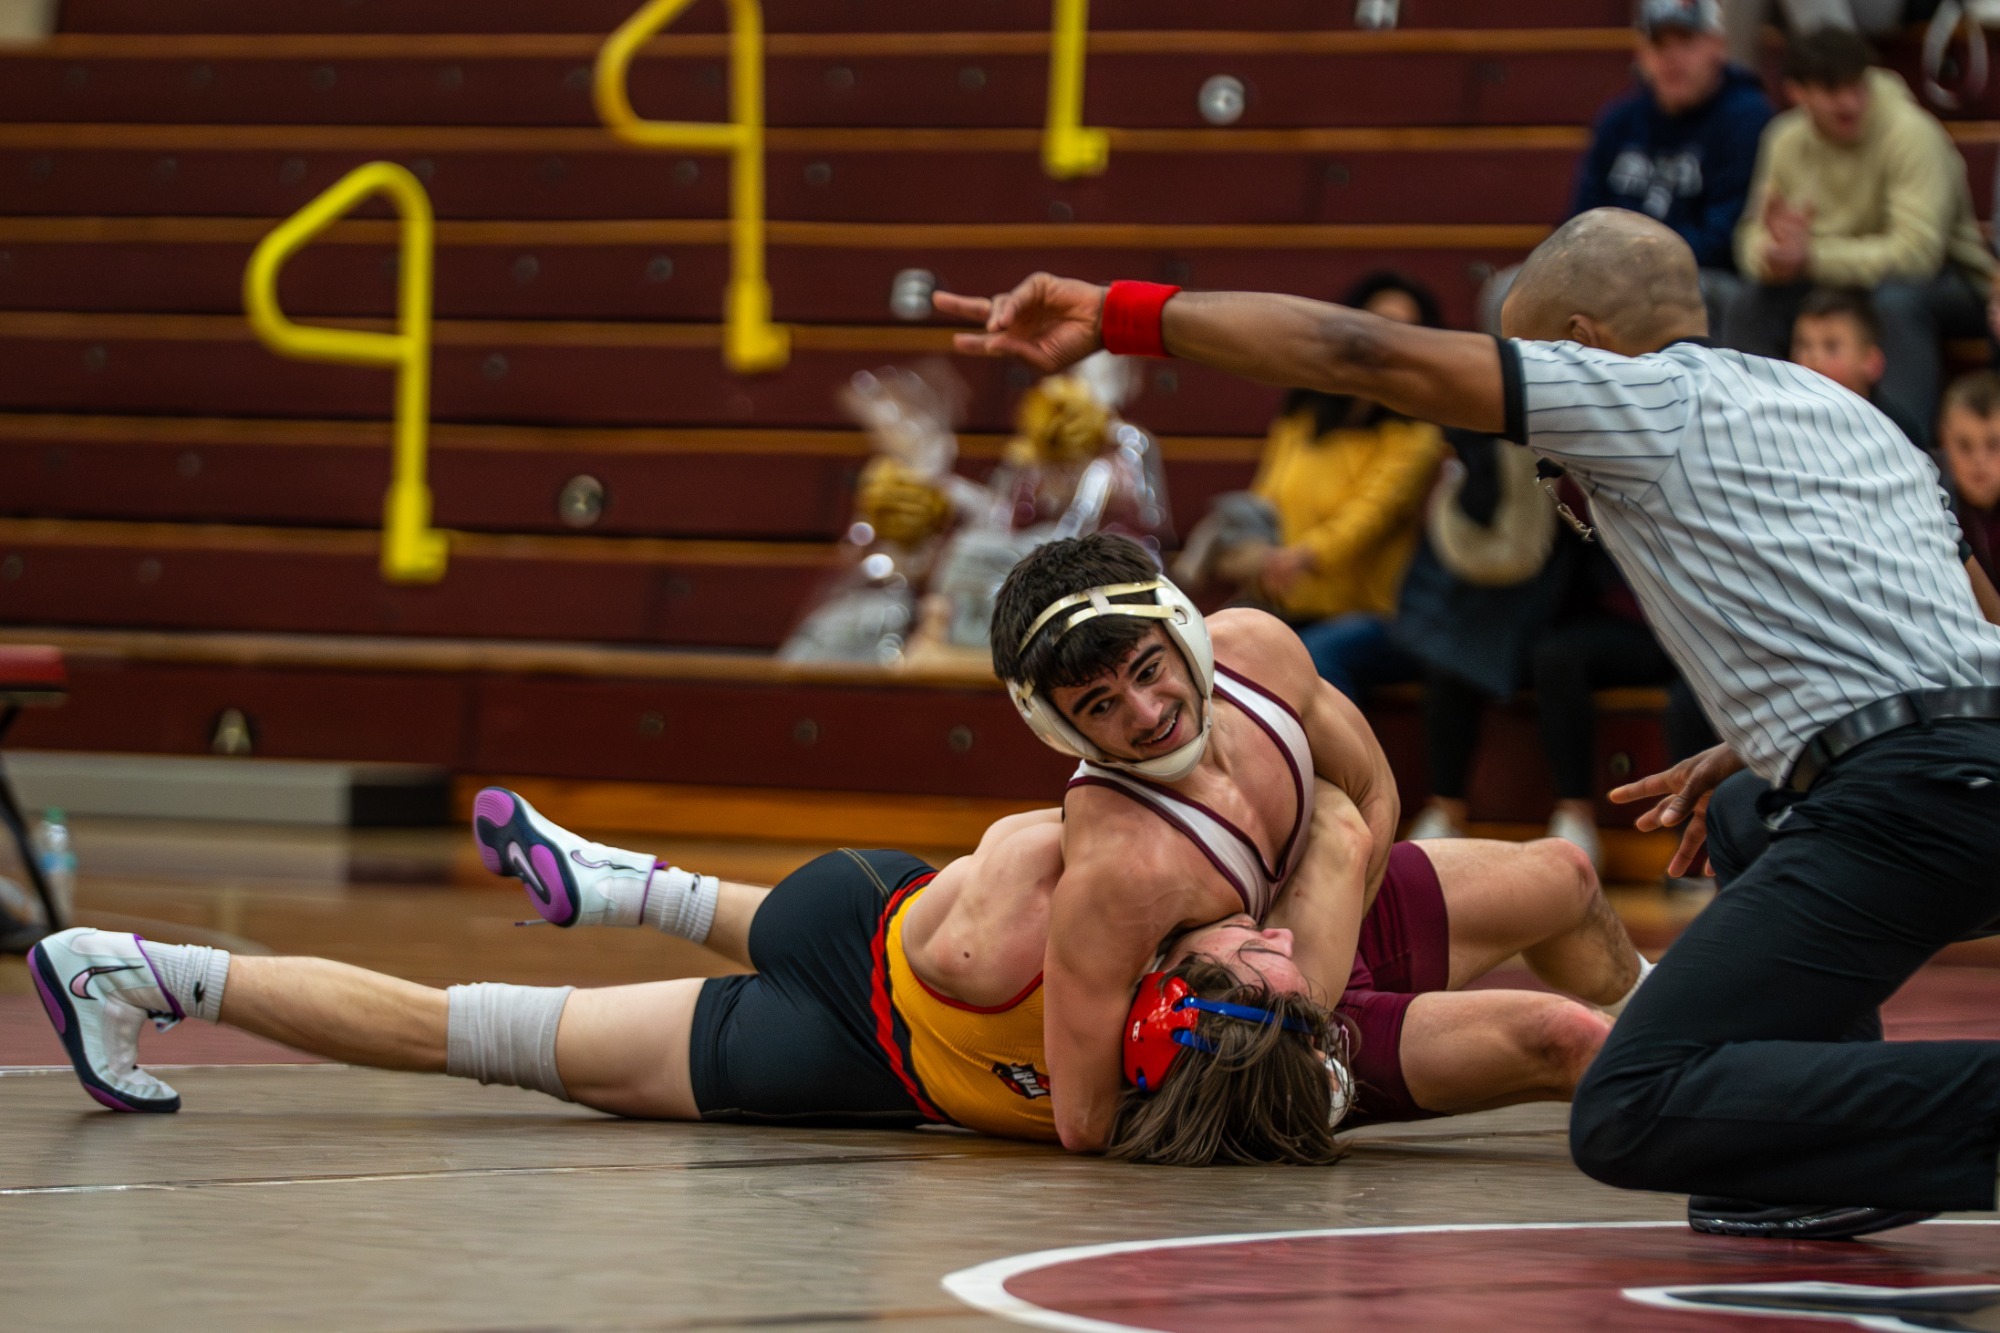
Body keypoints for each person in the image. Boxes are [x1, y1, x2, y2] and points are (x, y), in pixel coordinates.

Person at [933, 203, 2000, 1237]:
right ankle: (1844, 1162)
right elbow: (1971, 621)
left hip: (1915, 801)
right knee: (1746, 816)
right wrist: (1773, 737)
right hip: (1961, 771)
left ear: (1579, 345)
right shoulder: (1844, 410)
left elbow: (1358, 352)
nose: (1545, 466)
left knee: (1630, 1102)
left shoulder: (1637, 394)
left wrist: (1122, 314)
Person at [27, 788, 1643, 1168]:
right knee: (493, 1044)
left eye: (1262, 945)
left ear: (1155, 987)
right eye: (1280, 951)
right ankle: (148, 969)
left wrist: (1300, 878)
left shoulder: (1052, 916)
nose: (1283, 944)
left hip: (860, 975)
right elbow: (1556, 981)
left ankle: (142, 963)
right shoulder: (1268, 1050)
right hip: (880, 1037)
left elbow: (1335, 810)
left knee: (487, 1036)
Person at [1724, 28, 1992, 451]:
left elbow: (1917, 254)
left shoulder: (1911, 133)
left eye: (1856, 85)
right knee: (1749, 302)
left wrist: (1810, 258)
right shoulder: (1784, 139)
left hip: (1948, 280)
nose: (1849, 102)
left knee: (1898, 302)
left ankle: (1905, 454)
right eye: (1832, 90)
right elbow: (1749, 237)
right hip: (1836, 280)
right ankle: (1754, 446)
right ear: (1798, 93)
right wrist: (1771, 259)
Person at [1235, 271, 1449, 700]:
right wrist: (1257, 551)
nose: (1387, 340)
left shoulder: (1417, 434)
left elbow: (1372, 513)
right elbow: (1266, 495)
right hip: (1288, 598)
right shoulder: (1305, 414)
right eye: (1376, 325)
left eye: (1405, 330)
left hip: (1374, 613)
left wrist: (1302, 557)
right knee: (1221, 656)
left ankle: (1344, 769)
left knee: (1315, 660)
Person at [1573, 0, 1771, 315]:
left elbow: (1724, 239)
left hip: (1701, 274)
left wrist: (1635, 259)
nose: (1672, 58)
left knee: (1696, 297)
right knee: (1508, 292)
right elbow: (1580, 220)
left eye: (1686, 42)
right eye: (1659, 44)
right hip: (1616, 271)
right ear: (1642, 54)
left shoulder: (1746, 117)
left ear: (1718, 47)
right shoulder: (1618, 121)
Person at [1787, 285, 1923, 445]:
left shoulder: (1897, 429)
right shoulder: (1782, 419)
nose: (1812, 359)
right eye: (1801, 345)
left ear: (1872, 363)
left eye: (1831, 346)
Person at [1940, 370, 2000, 580]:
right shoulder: (1932, 513)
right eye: (1964, 446)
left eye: (1994, 445)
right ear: (1944, 440)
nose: (1979, 461)